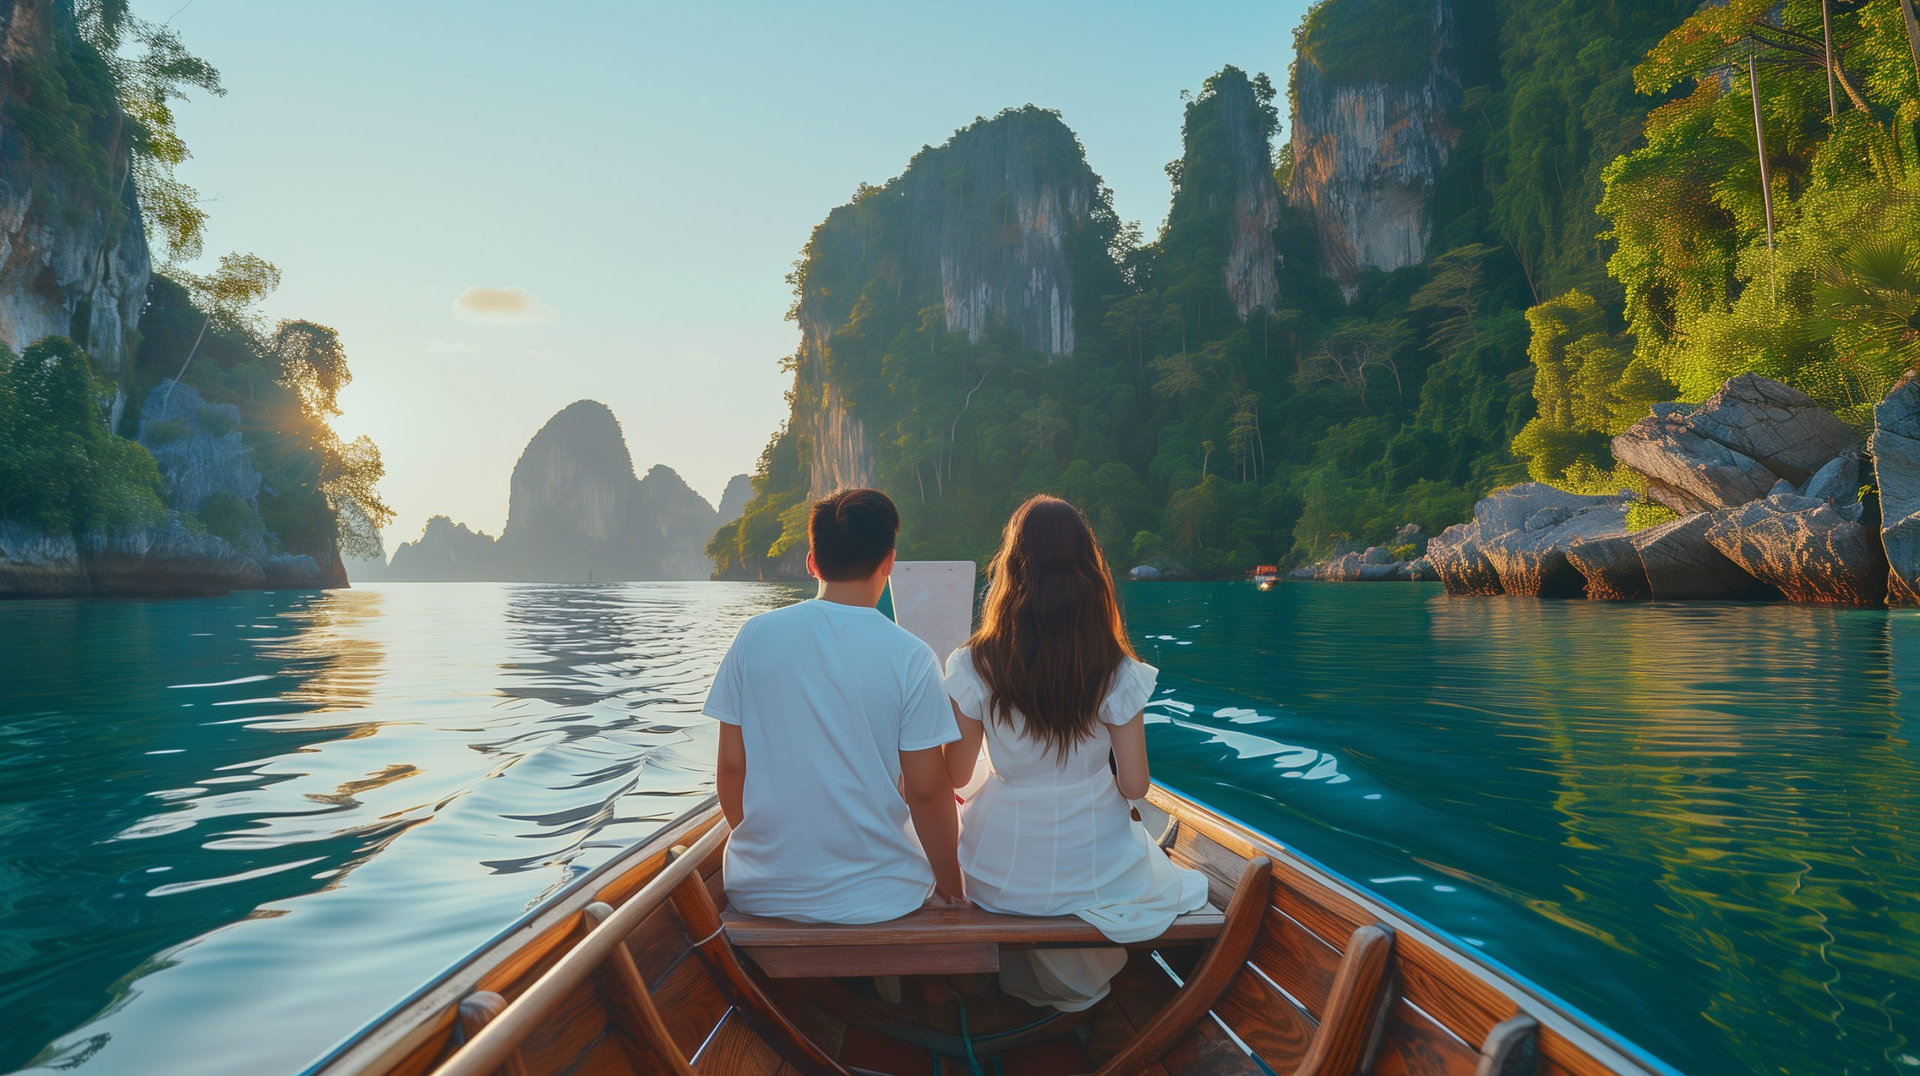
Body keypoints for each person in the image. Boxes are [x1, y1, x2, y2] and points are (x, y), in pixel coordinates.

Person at [941, 495, 1207, 1011]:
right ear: (1089, 570)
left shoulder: (974, 662)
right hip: (1097, 874)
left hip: (997, 881)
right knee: (1164, 875)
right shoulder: (1117, 668)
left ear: (1011, 572)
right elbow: (1135, 787)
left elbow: (954, 773)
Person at [706, 488, 965, 923]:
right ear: (889, 563)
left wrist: (769, 856)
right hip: (881, 898)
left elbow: (731, 767)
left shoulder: (754, 636)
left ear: (811, 561)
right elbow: (925, 790)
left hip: (759, 890)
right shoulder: (911, 655)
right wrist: (951, 886)